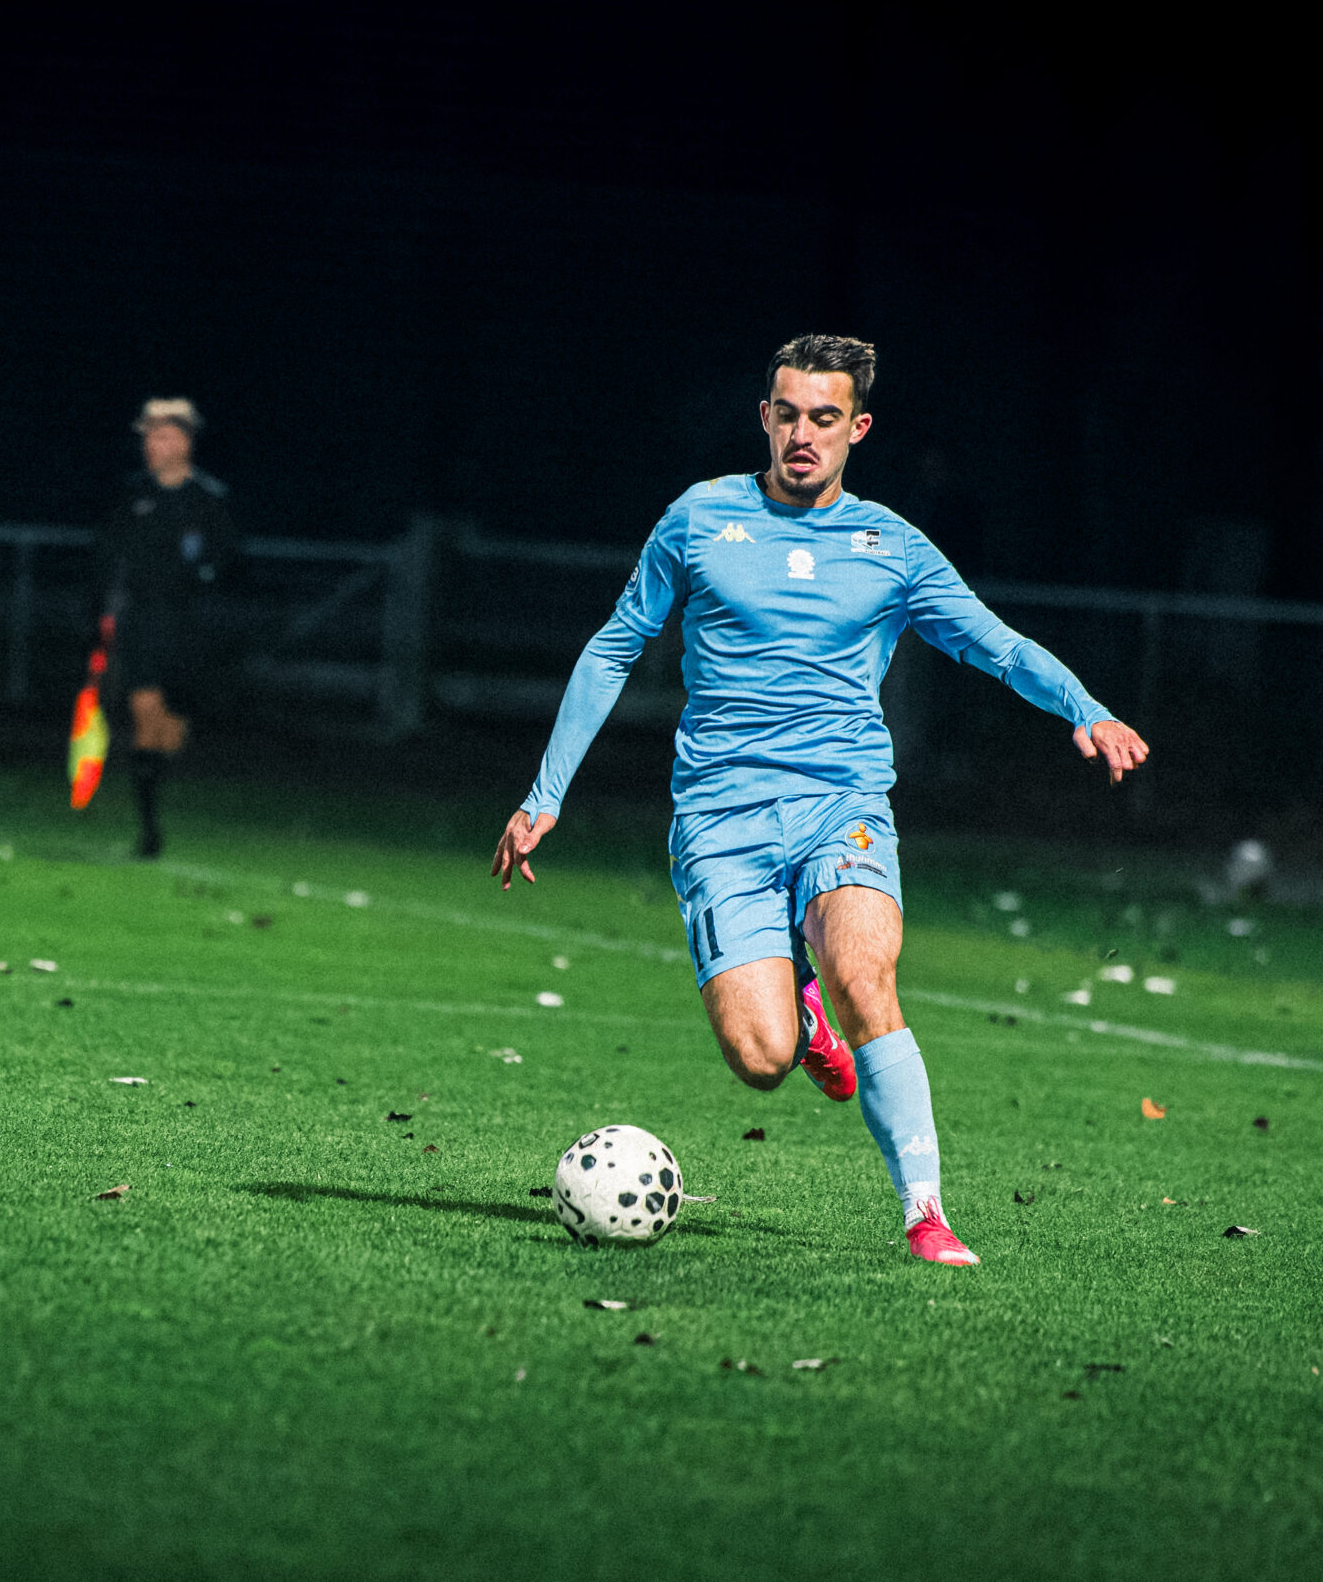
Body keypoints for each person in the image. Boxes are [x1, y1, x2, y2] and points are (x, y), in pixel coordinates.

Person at [490, 335, 1148, 1267]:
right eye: (789, 414)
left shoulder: (892, 547)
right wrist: (545, 793)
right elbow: (614, 646)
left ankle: (925, 1212)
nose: (804, 434)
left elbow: (995, 643)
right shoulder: (698, 519)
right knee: (760, 1058)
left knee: (866, 977)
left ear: (857, 428)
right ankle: (800, 1020)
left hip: (843, 806)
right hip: (720, 819)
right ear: (765, 417)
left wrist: (1086, 709)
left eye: (825, 418)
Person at [95, 397, 238, 859]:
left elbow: (227, 562)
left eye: (162, 436)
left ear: (184, 441)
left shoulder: (210, 499)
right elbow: (108, 555)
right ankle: (149, 829)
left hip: (189, 627)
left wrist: (203, 580)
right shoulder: (132, 495)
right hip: (141, 622)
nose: (152, 446)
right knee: (145, 712)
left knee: (170, 731)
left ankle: (155, 792)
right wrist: (105, 609)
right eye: (149, 437)